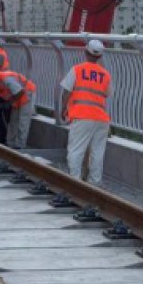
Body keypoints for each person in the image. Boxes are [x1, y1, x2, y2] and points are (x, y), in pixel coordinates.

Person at [60, 39, 111, 184]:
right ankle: (95, 183)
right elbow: (106, 94)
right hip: (101, 119)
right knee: (97, 153)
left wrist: (64, 108)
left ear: (85, 52)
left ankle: (74, 182)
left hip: (82, 116)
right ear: (100, 56)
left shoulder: (77, 69)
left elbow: (66, 92)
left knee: (76, 150)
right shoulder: (105, 75)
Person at [0, 66, 36, 148]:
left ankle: (20, 145)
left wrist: (9, 103)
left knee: (23, 121)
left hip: (26, 94)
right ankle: (10, 143)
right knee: (13, 121)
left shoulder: (5, 79)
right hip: (16, 97)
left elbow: (20, 91)